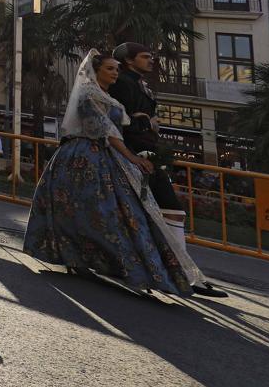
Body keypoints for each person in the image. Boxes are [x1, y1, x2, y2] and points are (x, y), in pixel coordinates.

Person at [24, 52, 216, 297]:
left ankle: (126, 265)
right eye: (109, 69)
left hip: (105, 157)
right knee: (90, 211)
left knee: (112, 213)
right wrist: (133, 157)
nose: (115, 73)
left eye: (116, 69)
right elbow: (108, 132)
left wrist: (142, 120)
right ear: (96, 71)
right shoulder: (88, 94)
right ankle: (90, 259)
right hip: (84, 156)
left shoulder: (109, 98)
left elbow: (122, 125)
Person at [107, 42, 227, 298]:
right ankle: (181, 272)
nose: (151, 61)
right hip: (137, 154)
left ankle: (180, 271)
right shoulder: (123, 83)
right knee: (170, 211)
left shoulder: (138, 83)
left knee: (165, 212)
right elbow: (117, 120)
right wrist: (144, 124)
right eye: (145, 57)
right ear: (129, 60)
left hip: (147, 152)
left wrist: (149, 124)